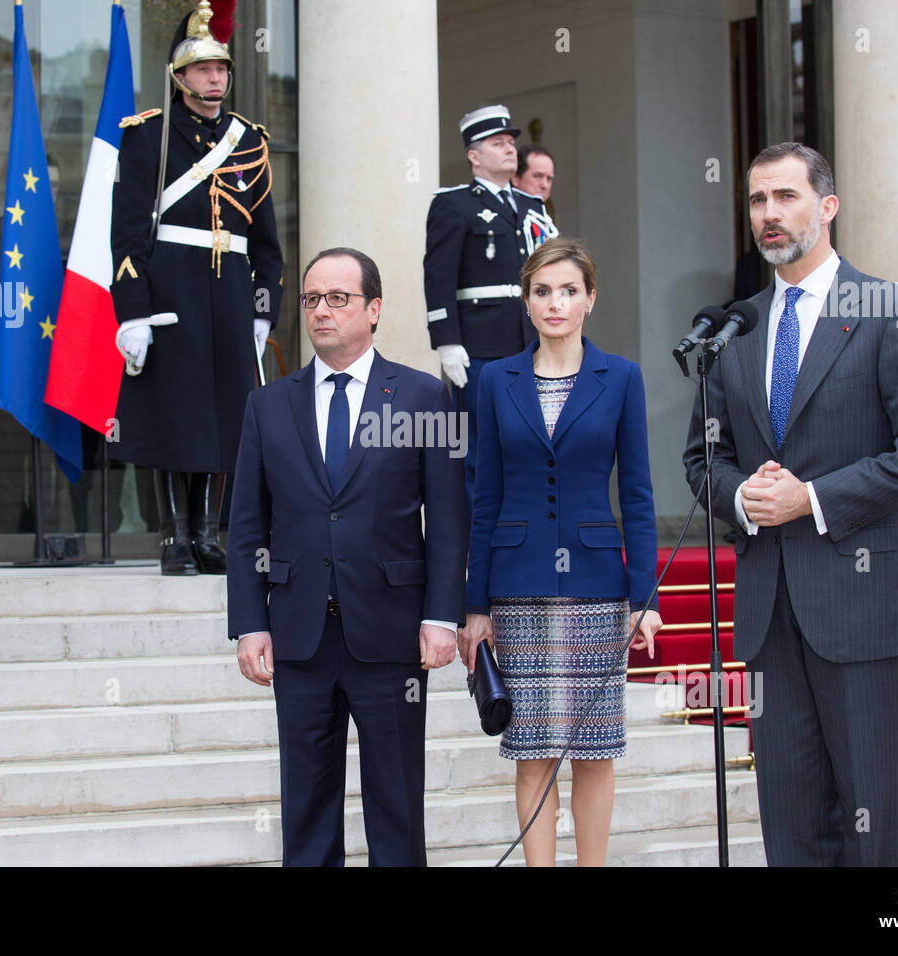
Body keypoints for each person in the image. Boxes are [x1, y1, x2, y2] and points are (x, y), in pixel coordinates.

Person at [683, 143, 898, 866]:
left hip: (861, 606)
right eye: (756, 201)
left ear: (827, 206)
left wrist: (813, 499)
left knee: (868, 824)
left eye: (786, 197)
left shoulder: (888, 312)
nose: (769, 215)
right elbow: (701, 458)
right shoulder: (733, 330)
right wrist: (742, 496)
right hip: (768, 616)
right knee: (791, 827)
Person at [226, 248, 467, 867]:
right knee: (305, 808)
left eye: (338, 298)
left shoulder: (421, 397)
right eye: (311, 300)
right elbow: (248, 524)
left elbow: (445, 518)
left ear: (375, 309)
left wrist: (443, 615)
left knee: (395, 805)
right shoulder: (267, 404)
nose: (322, 311)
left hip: (390, 634)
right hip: (299, 635)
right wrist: (251, 621)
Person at [459, 237, 661, 867]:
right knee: (534, 750)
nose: (555, 303)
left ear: (590, 300)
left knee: (596, 751)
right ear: (526, 301)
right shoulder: (496, 380)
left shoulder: (622, 377)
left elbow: (638, 493)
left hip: (598, 587)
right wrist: (475, 605)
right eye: (542, 291)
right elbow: (483, 493)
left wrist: (643, 596)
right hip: (515, 588)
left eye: (568, 290)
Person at [109, 0, 283, 575]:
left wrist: (263, 311)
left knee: (223, 415)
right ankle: (173, 537)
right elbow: (128, 234)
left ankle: (210, 535)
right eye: (204, 70)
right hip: (172, 292)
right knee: (174, 413)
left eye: (223, 69)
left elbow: (266, 243)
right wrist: (131, 313)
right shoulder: (148, 138)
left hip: (230, 291)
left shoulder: (249, 141)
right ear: (180, 77)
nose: (216, 78)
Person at [424, 105, 557, 507]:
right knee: (478, 452)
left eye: (511, 143)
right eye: (497, 143)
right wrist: (447, 342)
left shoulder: (532, 207)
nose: (509, 149)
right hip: (479, 348)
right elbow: (438, 276)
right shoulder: (454, 205)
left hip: (530, 346)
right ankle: (477, 551)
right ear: (474, 155)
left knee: (532, 445)